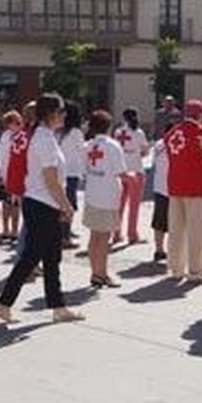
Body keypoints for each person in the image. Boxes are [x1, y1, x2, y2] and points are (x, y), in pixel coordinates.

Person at [0, 93, 84, 325]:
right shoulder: (44, 139)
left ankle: (58, 305)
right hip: (43, 203)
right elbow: (51, 178)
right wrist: (66, 204)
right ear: (52, 114)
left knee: (52, 257)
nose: (65, 115)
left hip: (42, 202)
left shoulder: (44, 136)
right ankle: (4, 303)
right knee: (31, 256)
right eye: (62, 111)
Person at [162, 99, 202, 284]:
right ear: (200, 114)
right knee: (198, 231)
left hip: (175, 186)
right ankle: (197, 270)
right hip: (199, 188)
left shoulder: (172, 132)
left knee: (176, 230)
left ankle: (175, 268)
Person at [82, 110, 128, 288]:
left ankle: (95, 272)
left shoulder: (88, 145)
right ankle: (102, 274)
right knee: (104, 238)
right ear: (109, 127)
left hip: (92, 194)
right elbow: (121, 172)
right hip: (107, 196)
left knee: (94, 237)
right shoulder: (112, 146)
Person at [112, 107, 150, 244]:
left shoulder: (118, 132)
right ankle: (132, 234)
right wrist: (136, 154)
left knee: (119, 204)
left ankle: (116, 233)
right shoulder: (138, 132)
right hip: (136, 169)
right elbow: (145, 151)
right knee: (134, 205)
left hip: (121, 170)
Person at [0, 108, 27, 241]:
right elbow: (2, 156)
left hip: (15, 175)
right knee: (7, 203)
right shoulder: (6, 136)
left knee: (15, 204)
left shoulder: (21, 136)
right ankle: (6, 229)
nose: (18, 125)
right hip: (6, 174)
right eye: (14, 123)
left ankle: (14, 230)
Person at [58, 103, 86, 247]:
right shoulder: (76, 132)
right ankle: (65, 236)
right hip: (71, 172)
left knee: (59, 203)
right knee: (69, 204)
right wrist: (84, 172)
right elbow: (82, 153)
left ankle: (63, 232)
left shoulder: (56, 131)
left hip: (58, 172)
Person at [149, 136, 170, 263]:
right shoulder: (178, 142)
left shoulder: (159, 144)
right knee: (175, 223)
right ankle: (173, 251)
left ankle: (159, 249)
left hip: (159, 187)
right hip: (173, 188)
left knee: (159, 221)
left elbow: (154, 164)